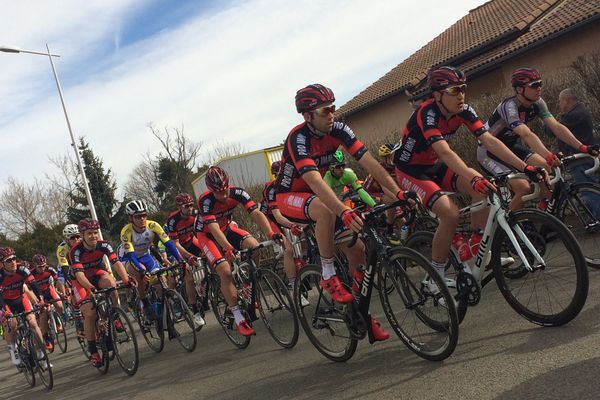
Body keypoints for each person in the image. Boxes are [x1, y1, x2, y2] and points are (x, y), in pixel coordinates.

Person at [274, 83, 414, 342]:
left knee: (358, 249)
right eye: (325, 111)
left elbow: (370, 163)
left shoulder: (338, 130)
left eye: (333, 108)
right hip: (288, 197)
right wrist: (343, 211)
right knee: (328, 210)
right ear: (307, 116)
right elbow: (315, 181)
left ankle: (358, 312)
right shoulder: (298, 138)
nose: (332, 115)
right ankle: (327, 275)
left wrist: (398, 192)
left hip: (318, 197)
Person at [394, 66, 544, 292]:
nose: (461, 94)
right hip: (410, 170)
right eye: (454, 90)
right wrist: (472, 176)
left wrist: (526, 167)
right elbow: (445, 152)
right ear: (437, 95)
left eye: (463, 88)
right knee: (450, 213)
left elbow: (490, 141)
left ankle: (477, 247)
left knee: (484, 190)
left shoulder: (464, 110)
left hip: (434, 165)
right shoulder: (427, 114)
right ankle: (436, 276)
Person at [477, 68, 599, 211]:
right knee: (523, 187)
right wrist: (548, 155)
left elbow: (557, 127)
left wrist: (582, 147)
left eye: (540, 83)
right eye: (534, 85)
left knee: (546, 170)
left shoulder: (538, 103)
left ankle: (546, 214)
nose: (539, 88)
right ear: (519, 89)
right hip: (488, 152)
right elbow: (526, 134)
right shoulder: (509, 106)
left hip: (510, 147)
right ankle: (507, 226)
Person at [195, 166, 281, 337]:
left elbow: (255, 212)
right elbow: (213, 229)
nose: (224, 195)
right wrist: (227, 248)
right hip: (208, 235)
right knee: (225, 272)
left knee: (253, 245)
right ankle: (238, 316)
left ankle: (248, 286)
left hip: (226, 229)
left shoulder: (238, 193)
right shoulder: (206, 200)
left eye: (225, 190)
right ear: (211, 191)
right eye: (218, 193)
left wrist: (270, 232)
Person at [120, 200, 204, 327]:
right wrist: (141, 270)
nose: (142, 219)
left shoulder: (153, 225)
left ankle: (162, 307)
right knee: (140, 273)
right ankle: (145, 304)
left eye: (144, 215)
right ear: (131, 218)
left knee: (161, 281)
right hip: (130, 259)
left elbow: (169, 244)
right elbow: (131, 255)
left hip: (145, 255)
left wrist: (180, 260)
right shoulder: (126, 232)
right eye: (138, 216)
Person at [69, 218, 131, 367]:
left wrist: (126, 279)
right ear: (82, 235)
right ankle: (93, 351)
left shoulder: (104, 245)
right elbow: (79, 275)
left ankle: (114, 315)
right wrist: (90, 288)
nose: (93, 236)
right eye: (89, 233)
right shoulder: (75, 251)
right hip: (80, 281)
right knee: (90, 314)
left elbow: (116, 263)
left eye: (95, 233)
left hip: (97, 273)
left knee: (111, 283)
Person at [260, 161, 308, 305]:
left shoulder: (292, 182)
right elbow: (277, 216)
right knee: (288, 249)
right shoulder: (271, 188)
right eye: (279, 175)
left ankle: (304, 259)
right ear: (275, 175)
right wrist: (293, 224)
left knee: (308, 230)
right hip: (270, 218)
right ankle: (293, 286)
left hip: (284, 213)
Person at [0, 247, 46, 366]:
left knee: (33, 322)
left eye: (14, 259)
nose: (13, 262)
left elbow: (34, 285)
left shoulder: (22, 269)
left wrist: (40, 300)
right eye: (8, 260)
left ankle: (42, 352)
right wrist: (6, 312)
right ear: (2, 264)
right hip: (5, 303)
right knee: (12, 324)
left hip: (20, 298)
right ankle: (13, 350)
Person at [165, 193, 208, 317]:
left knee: (210, 258)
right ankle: (194, 309)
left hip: (191, 241)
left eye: (191, 205)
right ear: (179, 208)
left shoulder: (195, 214)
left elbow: (202, 233)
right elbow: (175, 244)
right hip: (178, 247)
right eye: (186, 206)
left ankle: (207, 286)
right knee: (188, 276)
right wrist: (188, 256)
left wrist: (205, 249)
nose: (190, 208)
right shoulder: (173, 220)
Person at [31, 254, 64, 352]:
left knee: (59, 305)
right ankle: (46, 338)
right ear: (35, 266)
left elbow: (58, 281)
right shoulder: (31, 274)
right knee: (43, 313)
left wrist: (63, 293)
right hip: (37, 295)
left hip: (48, 291)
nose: (42, 268)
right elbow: (29, 291)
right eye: (40, 267)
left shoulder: (50, 270)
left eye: (44, 265)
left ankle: (57, 321)